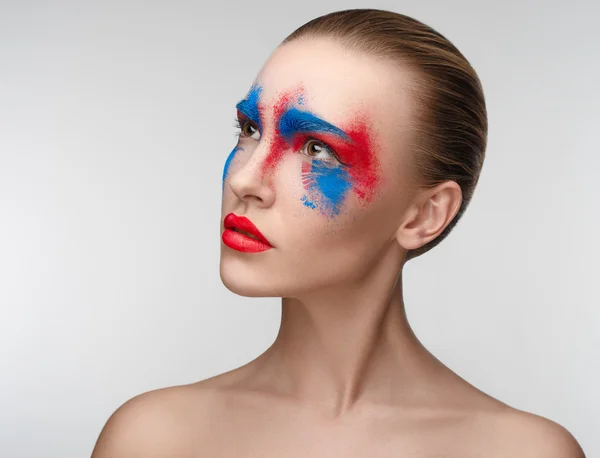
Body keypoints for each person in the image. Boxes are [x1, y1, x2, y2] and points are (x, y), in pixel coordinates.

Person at [91, 8, 586, 457]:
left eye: (315, 149)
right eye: (249, 129)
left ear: (423, 215)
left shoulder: (522, 451)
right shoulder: (151, 439)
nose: (245, 181)